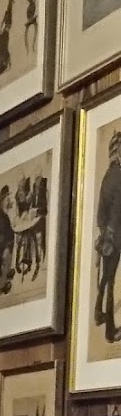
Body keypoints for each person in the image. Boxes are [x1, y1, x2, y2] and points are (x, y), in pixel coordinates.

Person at [96, 132, 121, 341]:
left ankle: (98, 312)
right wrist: (111, 234)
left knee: (106, 276)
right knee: (111, 280)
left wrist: (103, 232)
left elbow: (100, 213)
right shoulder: (118, 176)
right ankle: (110, 331)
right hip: (115, 236)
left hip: (108, 235)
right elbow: (116, 211)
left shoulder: (107, 175)